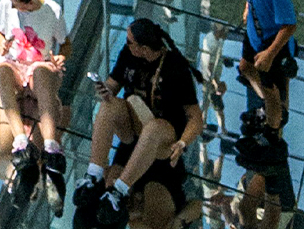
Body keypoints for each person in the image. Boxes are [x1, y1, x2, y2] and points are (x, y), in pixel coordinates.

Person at [73, 19, 205, 227]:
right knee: (110, 105)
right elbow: (112, 86)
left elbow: (195, 116)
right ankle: (93, 174)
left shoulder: (175, 68)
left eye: (130, 42)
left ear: (144, 48)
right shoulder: (128, 55)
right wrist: (103, 90)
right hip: (132, 131)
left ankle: (119, 190)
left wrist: (183, 143)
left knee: (153, 128)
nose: (127, 45)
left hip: (161, 140)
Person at [0, 0, 69, 213]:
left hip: (38, 67)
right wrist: (2, 43)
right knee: (3, 72)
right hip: (12, 68)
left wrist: (60, 58)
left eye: (17, 5)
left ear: (28, 1)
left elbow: (66, 44)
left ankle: (49, 150)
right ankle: (23, 146)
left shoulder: (52, 11)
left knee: (41, 74)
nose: (13, 8)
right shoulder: (6, 2)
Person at [228, 0, 298, 149]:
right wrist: (249, 6)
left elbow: (289, 25)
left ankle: (272, 127)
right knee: (246, 68)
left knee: (270, 90)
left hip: (269, 42)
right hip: (254, 33)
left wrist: (269, 54)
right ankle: (270, 106)